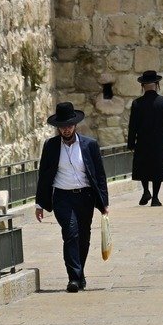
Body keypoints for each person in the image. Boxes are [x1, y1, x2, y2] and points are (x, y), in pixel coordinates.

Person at [34, 103, 109, 292]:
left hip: (85, 197)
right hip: (62, 197)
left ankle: (80, 273)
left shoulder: (89, 145)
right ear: (58, 127)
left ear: (75, 125)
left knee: (83, 237)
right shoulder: (51, 146)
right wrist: (40, 203)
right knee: (71, 233)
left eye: (69, 125)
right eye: (62, 126)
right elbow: (44, 175)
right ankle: (74, 278)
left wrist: (104, 203)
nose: (66, 129)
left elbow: (99, 175)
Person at [126, 70, 163, 205]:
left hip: (143, 141)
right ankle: (155, 198)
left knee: (144, 167)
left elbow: (132, 126)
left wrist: (131, 143)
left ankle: (145, 191)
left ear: (142, 85)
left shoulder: (137, 103)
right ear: (157, 84)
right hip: (160, 141)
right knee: (157, 168)